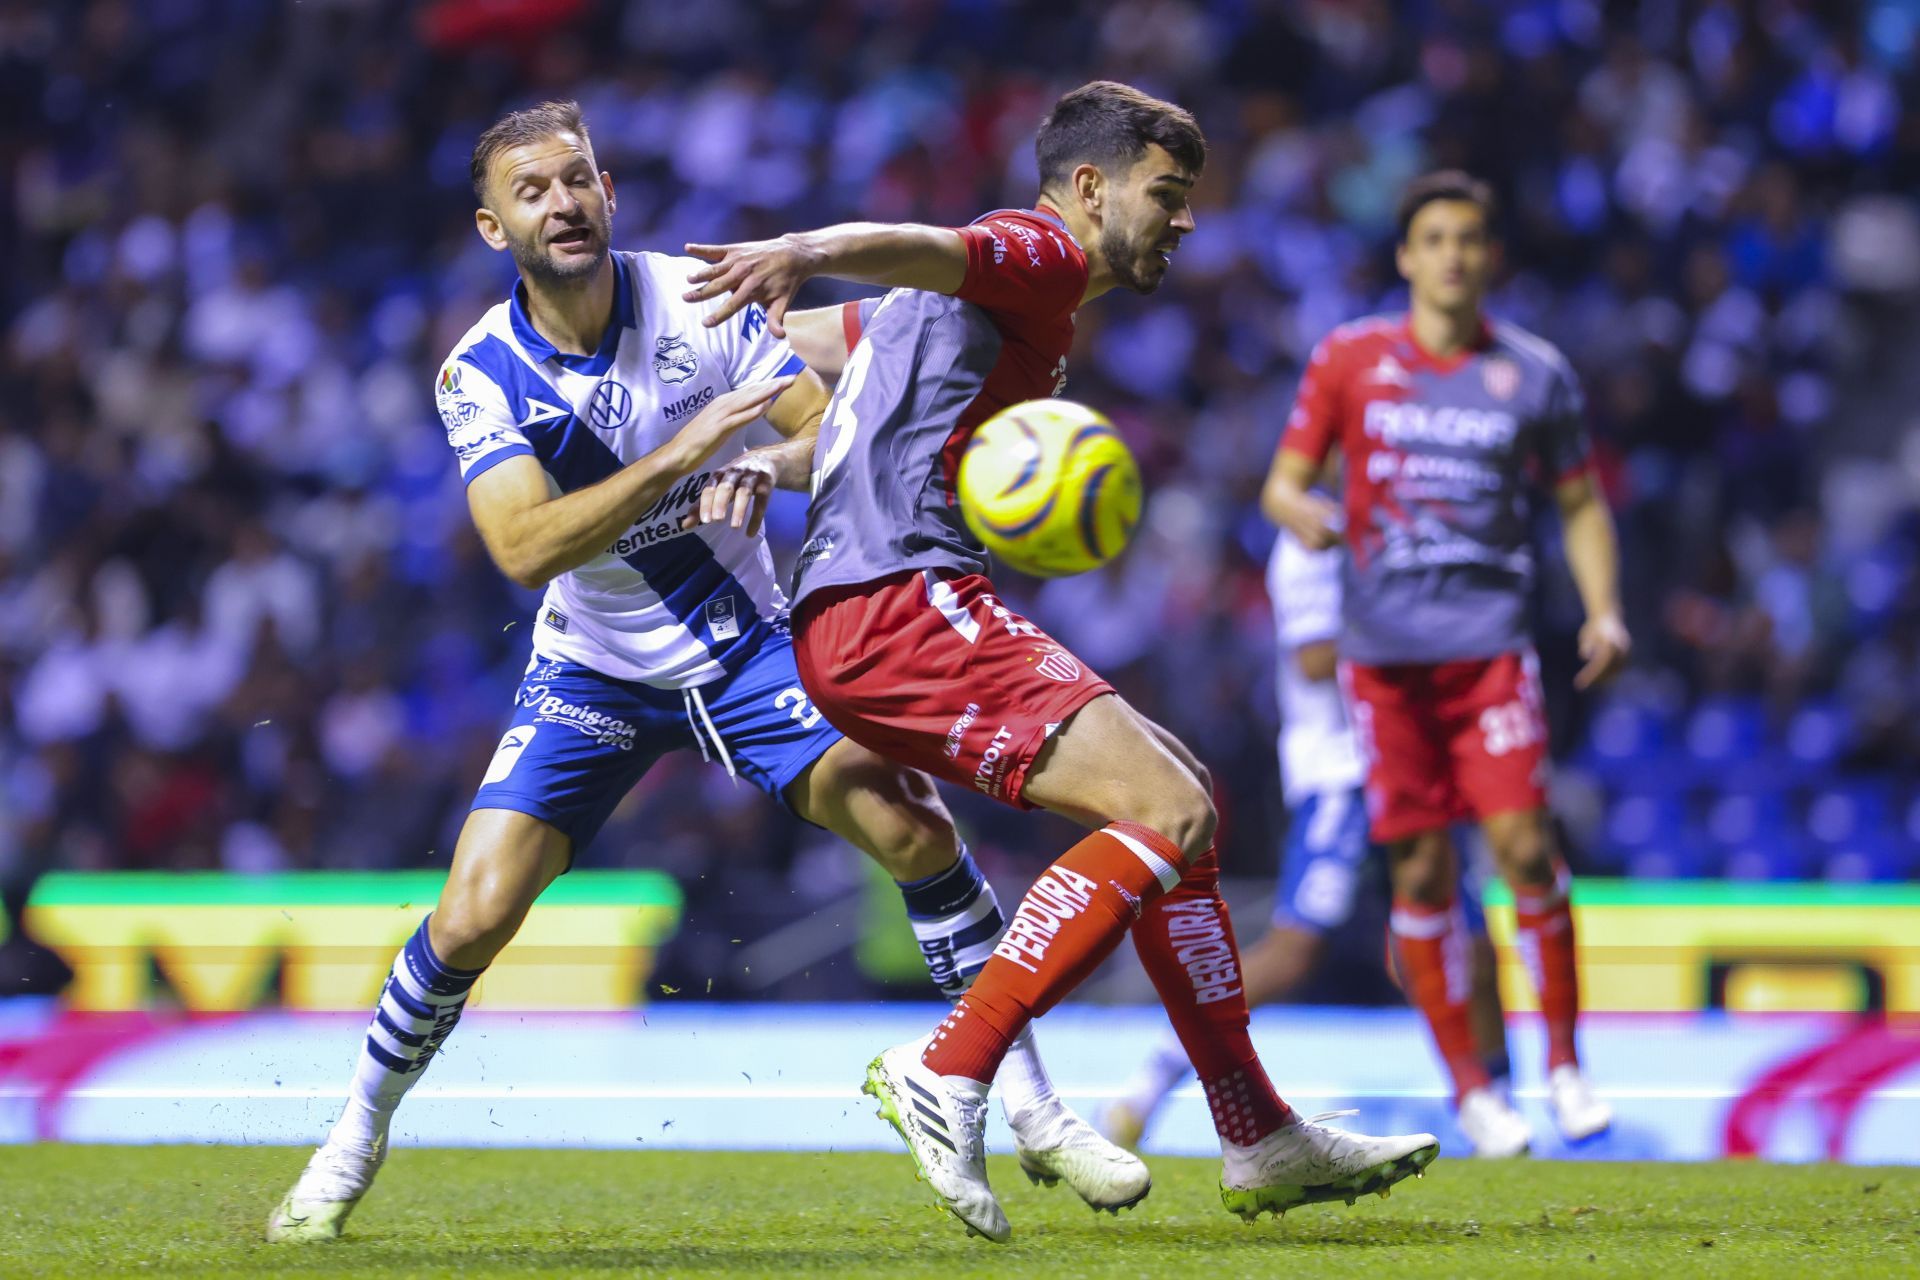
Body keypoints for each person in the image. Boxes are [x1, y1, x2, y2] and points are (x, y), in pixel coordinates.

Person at [265, 100, 1143, 1244]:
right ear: (495, 229)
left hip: (744, 645)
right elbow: (526, 546)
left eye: (577, 179)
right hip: (594, 666)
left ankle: (1030, 1105)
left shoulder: (695, 294)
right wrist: (689, 453)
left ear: (609, 192)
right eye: (532, 191)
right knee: (474, 913)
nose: (563, 202)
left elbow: (824, 428)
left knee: (913, 827)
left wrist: (766, 466)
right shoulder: (478, 372)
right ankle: (354, 1134)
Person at [683, 80, 1436, 1245]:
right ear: (1092, 187)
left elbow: (834, 385)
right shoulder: (1034, 251)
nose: (1185, 221)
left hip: (879, 610)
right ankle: (954, 1062)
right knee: (1170, 806)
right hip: (902, 606)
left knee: (1183, 806)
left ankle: (1253, 1124)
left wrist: (757, 443)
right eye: (1167, 194)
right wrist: (807, 245)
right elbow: (929, 243)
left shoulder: (952, 314)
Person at [1262, 170, 1625, 1150]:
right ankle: (1472, 1087)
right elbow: (1283, 484)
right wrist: (1308, 515)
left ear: (1489, 256)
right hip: (1382, 663)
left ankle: (1563, 1064)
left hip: (1491, 651)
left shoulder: (1535, 372)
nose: (1454, 255)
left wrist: (1603, 609)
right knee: (1421, 873)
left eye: (1470, 238)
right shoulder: (1349, 359)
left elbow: (1580, 500)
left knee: (1523, 851)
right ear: (1406, 256)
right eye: (1435, 238)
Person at [1102, 527, 1529, 1158]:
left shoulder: (1398, 520)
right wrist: (1429, 628)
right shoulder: (1312, 541)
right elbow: (1314, 656)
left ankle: (1500, 1111)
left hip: (1411, 767)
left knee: (1468, 945)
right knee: (1299, 947)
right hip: (1341, 773)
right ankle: (1155, 1076)